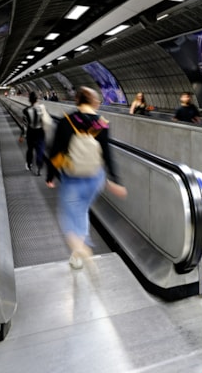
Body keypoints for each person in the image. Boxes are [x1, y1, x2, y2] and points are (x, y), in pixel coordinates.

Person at [46, 86, 127, 269]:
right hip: (95, 178)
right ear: (93, 103)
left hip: (72, 177)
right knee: (82, 211)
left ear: (77, 101)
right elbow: (107, 153)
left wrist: (51, 175)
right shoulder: (101, 123)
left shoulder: (67, 121)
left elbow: (55, 151)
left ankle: (80, 248)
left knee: (68, 215)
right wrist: (115, 180)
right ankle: (77, 256)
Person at [19, 91, 46, 176]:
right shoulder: (42, 109)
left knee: (30, 149)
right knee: (40, 150)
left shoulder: (26, 110)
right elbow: (46, 121)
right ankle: (39, 168)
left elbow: (25, 124)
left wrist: (22, 135)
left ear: (29, 100)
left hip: (31, 132)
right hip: (40, 132)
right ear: (37, 99)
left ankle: (29, 163)